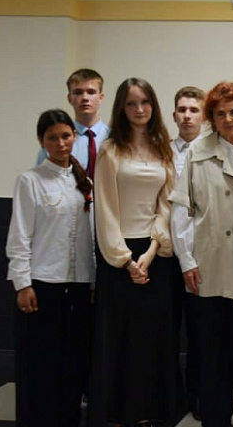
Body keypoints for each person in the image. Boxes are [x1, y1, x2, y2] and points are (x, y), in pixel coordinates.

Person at [169, 81, 233, 427]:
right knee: (209, 354)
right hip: (207, 265)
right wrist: (187, 260)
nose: (229, 119)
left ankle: (223, 416)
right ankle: (215, 420)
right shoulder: (196, 153)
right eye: (221, 113)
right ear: (212, 118)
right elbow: (180, 211)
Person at [89, 77, 183, 427]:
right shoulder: (110, 150)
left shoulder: (163, 150)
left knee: (152, 338)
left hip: (154, 255)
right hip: (119, 256)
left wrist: (152, 250)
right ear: (121, 108)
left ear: (153, 106)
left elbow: (167, 203)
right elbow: (106, 210)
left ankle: (149, 410)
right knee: (120, 338)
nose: (139, 109)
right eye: (131, 103)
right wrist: (126, 260)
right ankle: (119, 412)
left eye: (145, 102)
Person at [7, 109, 96, 427]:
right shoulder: (30, 181)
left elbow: (90, 237)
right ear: (41, 142)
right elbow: (20, 236)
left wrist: (93, 281)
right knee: (40, 365)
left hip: (79, 285)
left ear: (74, 136)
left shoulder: (84, 182)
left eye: (66, 136)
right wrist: (22, 284)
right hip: (43, 284)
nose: (61, 144)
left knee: (73, 364)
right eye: (52, 138)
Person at [169, 85, 206, 420]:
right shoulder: (162, 152)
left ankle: (197, 397)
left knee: (199, 333)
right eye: (182, 109)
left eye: (194, 110)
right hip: (165, 253)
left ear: (204, 115)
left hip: (201, 255)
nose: (187, 116)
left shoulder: (212, 152)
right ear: (174, 115)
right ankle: (170, 398)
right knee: (166, 332)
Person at [36, 68, 108, 182]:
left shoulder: (115, 138)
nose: (85, 98)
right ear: (69, 98)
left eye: (91, 92)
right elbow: (41, 182)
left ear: (101, 97)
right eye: (78, 92)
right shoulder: (56, 142)